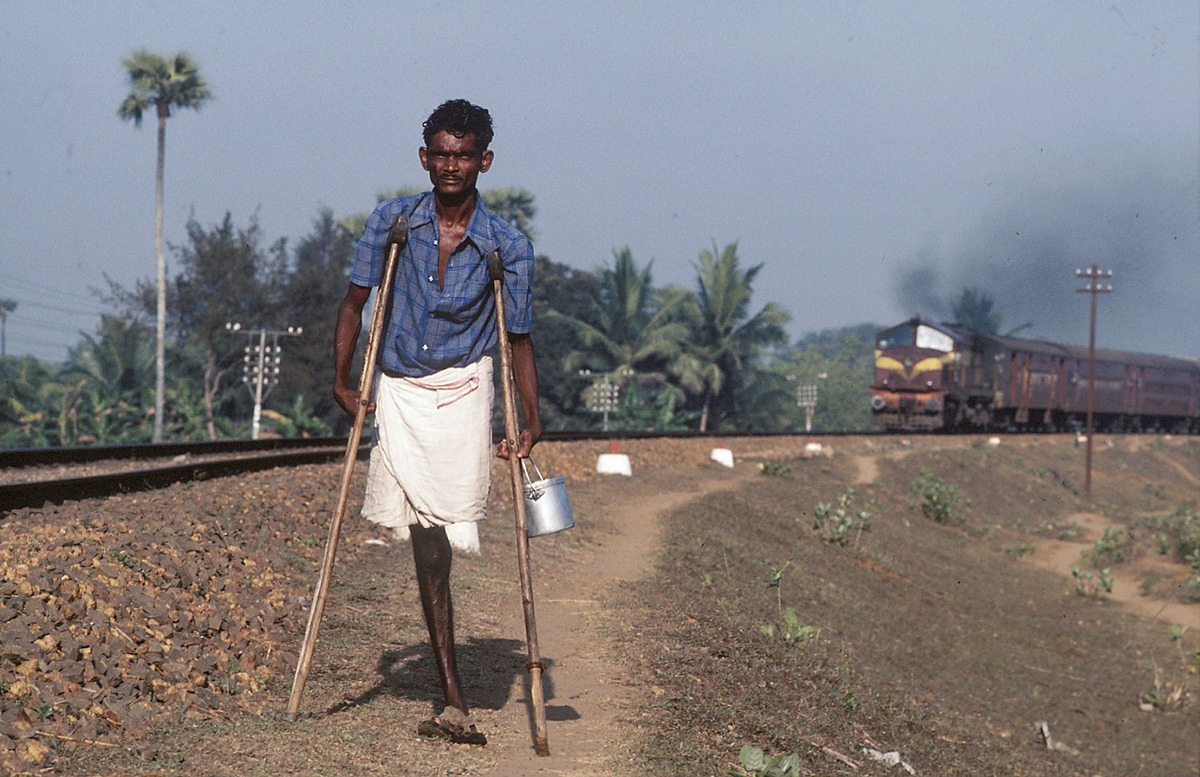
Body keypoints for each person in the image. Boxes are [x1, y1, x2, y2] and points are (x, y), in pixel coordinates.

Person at [333, 99, 541, 746]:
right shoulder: (392, 222)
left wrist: (531, 415)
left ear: (485, 160)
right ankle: (453, 696)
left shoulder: (508, 244)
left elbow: (519, 338)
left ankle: (451, 689)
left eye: (464, 154)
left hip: (463, 389)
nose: (452, 166)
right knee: (427, 538)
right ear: (425, 158)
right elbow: (354, 304)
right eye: (441, 154)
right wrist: (341, 380)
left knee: (450, 521)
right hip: (398, 388)